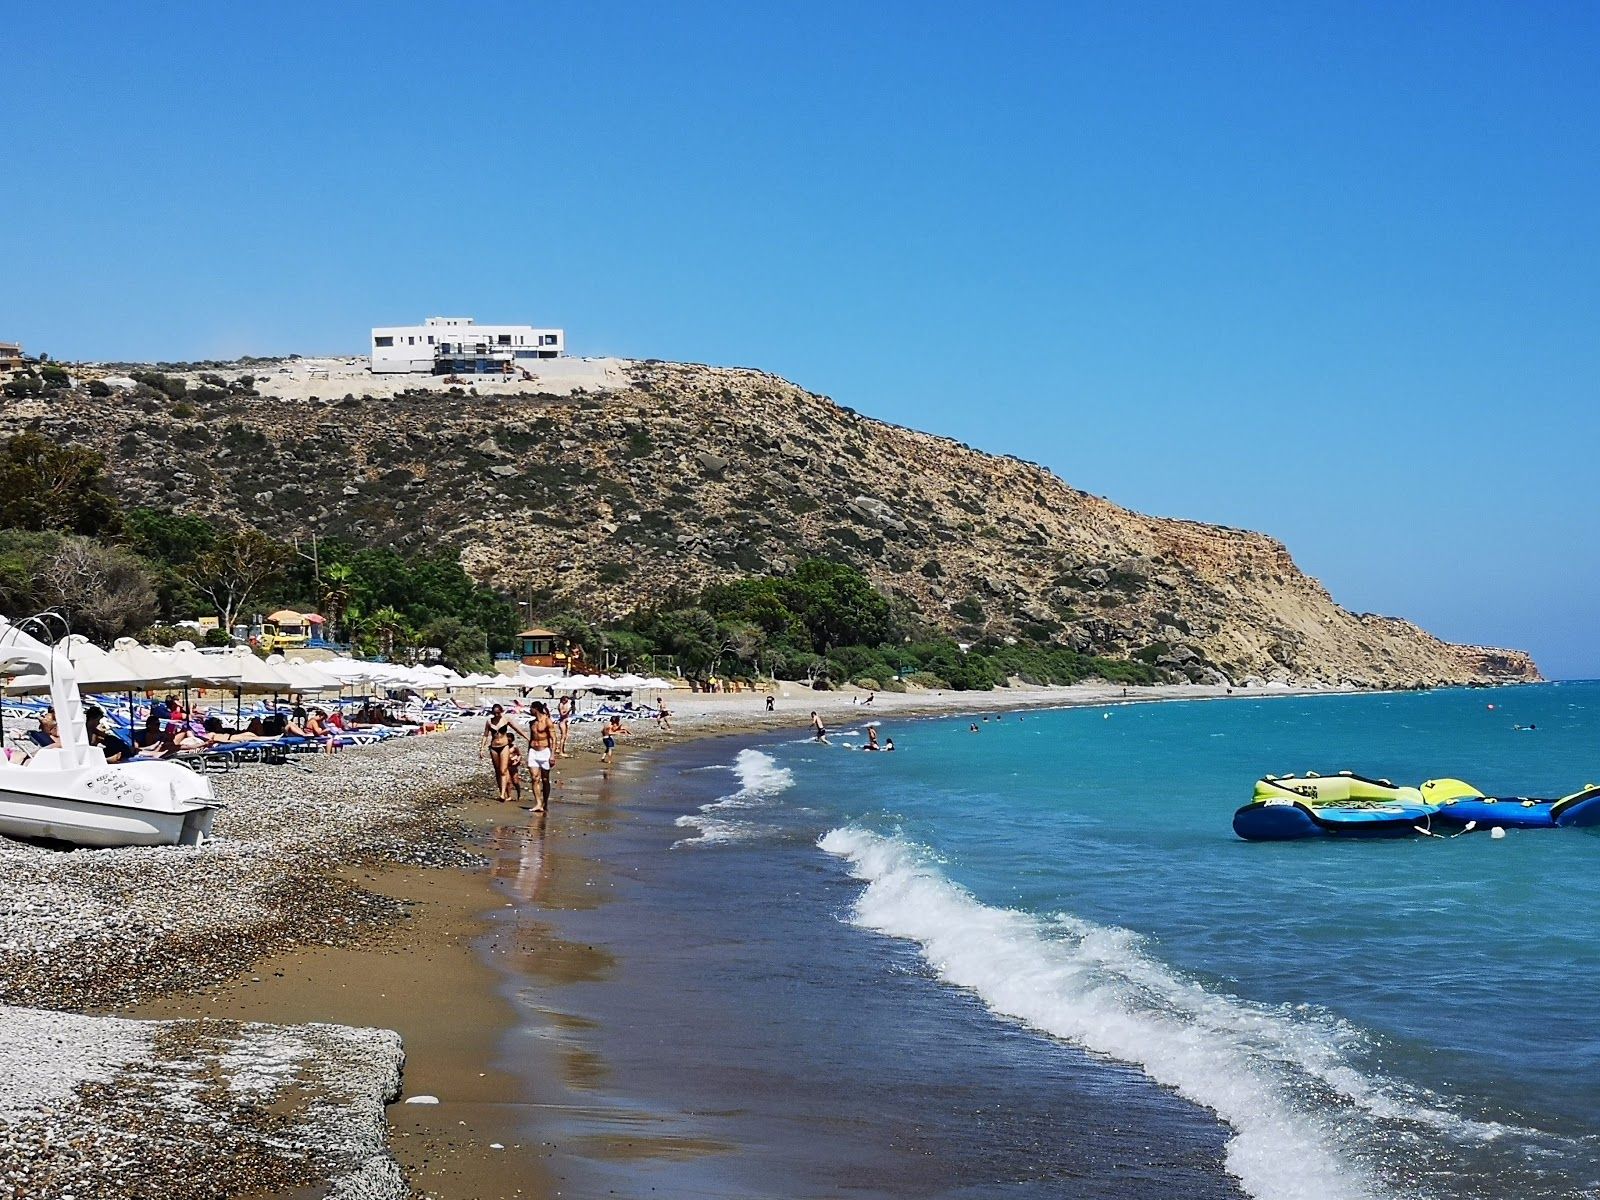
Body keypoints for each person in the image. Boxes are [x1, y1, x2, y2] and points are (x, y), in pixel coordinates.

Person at [480, 704, 520, 803]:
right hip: (493, 747)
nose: (497, 714)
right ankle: (502, 792)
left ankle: (502, 794)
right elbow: (485, 735)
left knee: (503, 770)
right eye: (495, 713)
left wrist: (528, 738)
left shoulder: (506, 719)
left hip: (504, 746)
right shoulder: (489, 721)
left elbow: (517, 729)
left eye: (498, 712)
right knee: (498, 771)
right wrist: (482, 748)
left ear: (501, 711)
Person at [526, 701, 556, 812]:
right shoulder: (532, 723)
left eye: (531, 708)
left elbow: (553, 738)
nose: (530, 711)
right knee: (534, 778)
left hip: (545, 751)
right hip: (533, 751)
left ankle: (545, 802)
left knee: (545, 779)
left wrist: (552, 755)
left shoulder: (547, 721)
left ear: (536, 709)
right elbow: (531, 738)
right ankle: (538, 803)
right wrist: (528, 753)